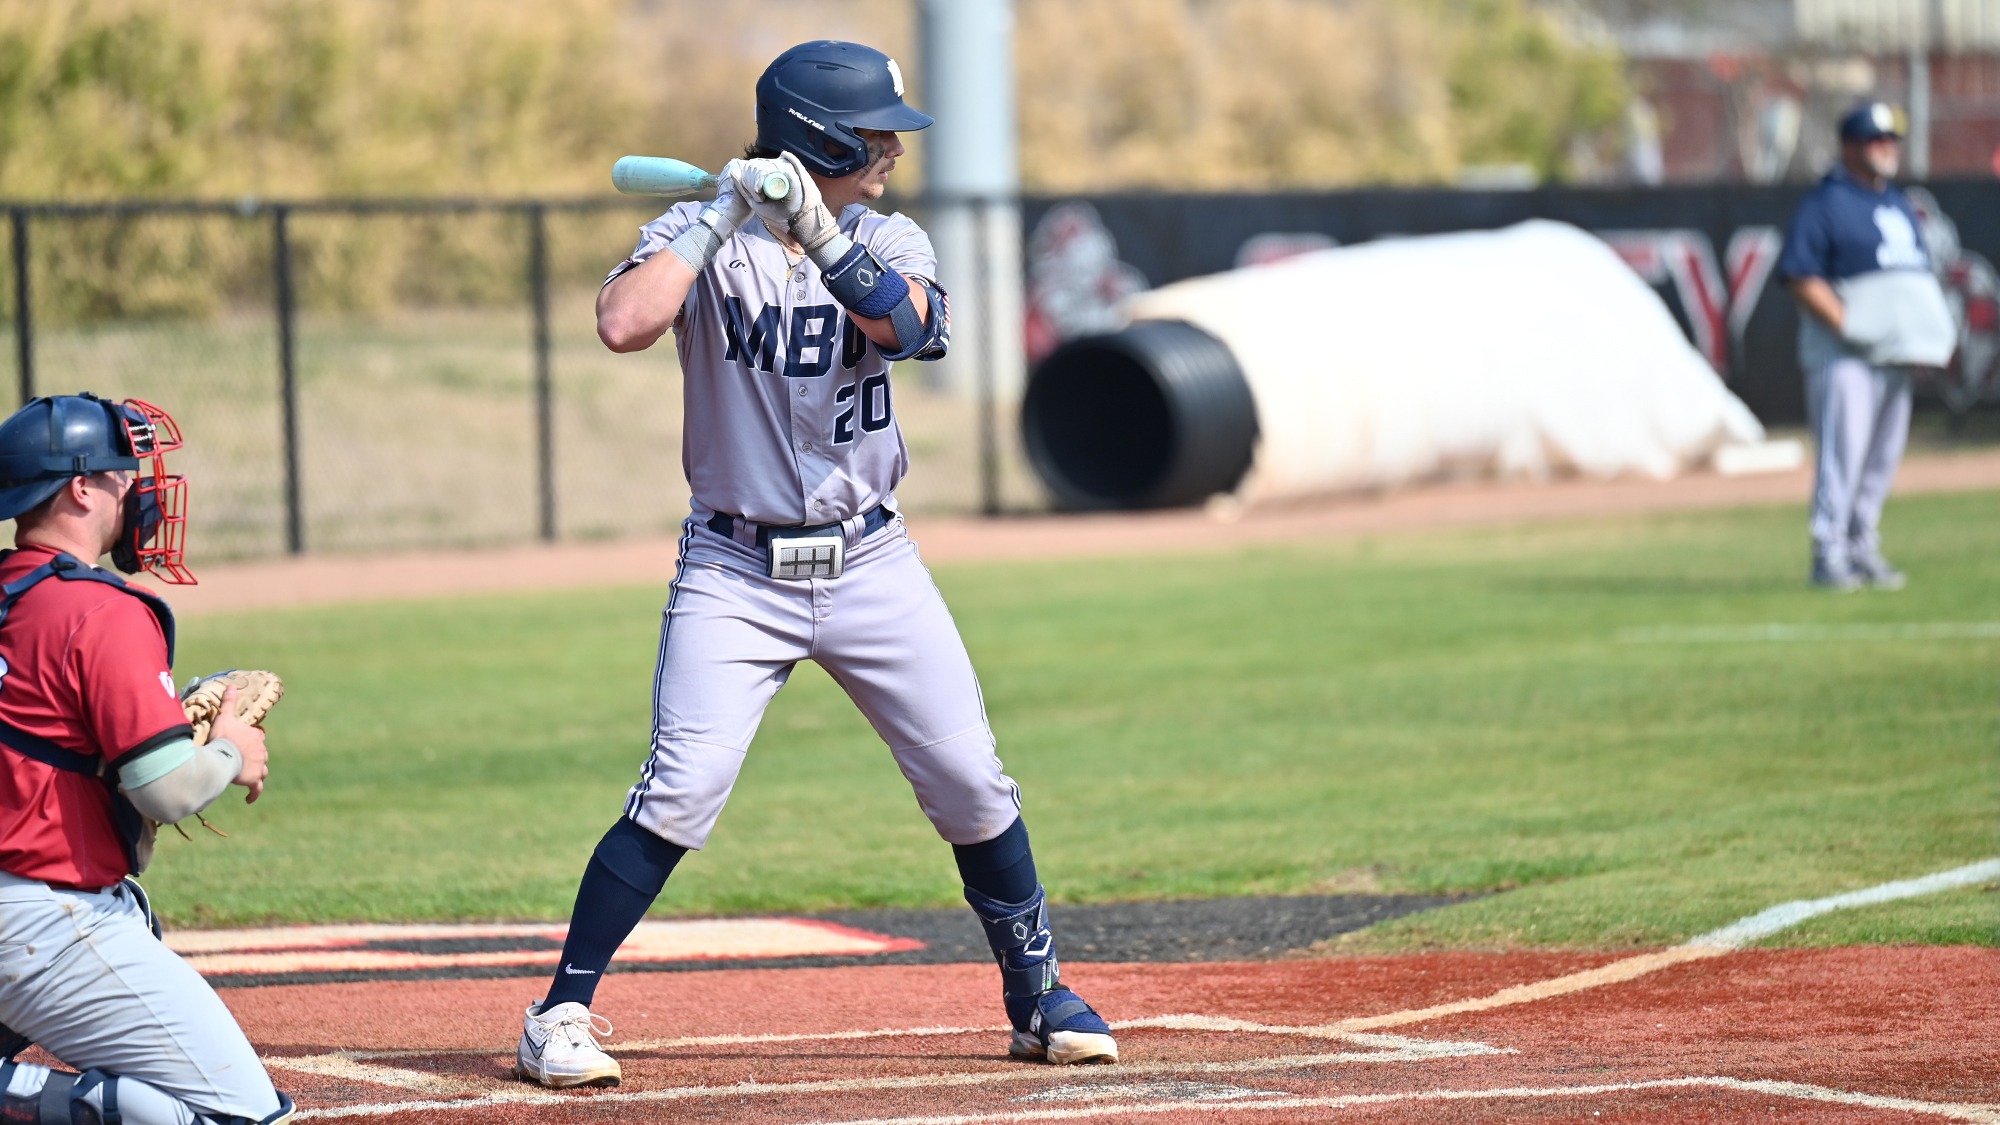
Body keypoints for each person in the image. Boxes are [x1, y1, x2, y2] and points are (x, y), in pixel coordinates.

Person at [511, 40, 1117, 1089]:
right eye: (871, 131)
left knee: (970, 782)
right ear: (818, 135)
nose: (889, 147)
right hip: (735, 571)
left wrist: (817, 226)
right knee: (680, 792)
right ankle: (558, 1011)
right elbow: (623, 322)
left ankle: (1036, 997)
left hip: (870, 560)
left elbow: (906, 323)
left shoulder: (888, 232)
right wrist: (717, 215)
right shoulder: (695, 237)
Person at [0, 393, 293, 1124]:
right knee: (241, 1116)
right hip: (40, 925)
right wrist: (232, 749)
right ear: (79, 487)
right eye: (123, 474)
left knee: (137, 917)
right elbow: (165, 790)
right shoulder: (102, 611)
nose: (139, 487)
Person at [1779, 100, 1956, 590]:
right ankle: (1829, 553)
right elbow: (1798, 272)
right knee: (1844, 456)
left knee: (1880, 459)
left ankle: (1862, 547)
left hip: (1894, 356)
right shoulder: (1827, 201)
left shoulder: (1896, 203)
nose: (1886, 149)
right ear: (1850, 146)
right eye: (1876, 141)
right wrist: (1850, 324)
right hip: (1845, 357)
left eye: (1890, 141)